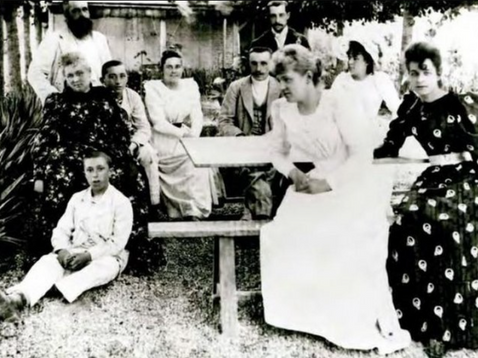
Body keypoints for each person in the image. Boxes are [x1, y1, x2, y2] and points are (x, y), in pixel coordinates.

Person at [260, 44, 411, 354]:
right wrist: (293, 174)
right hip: (313, 180)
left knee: (341, 236)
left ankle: (340, 316)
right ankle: (303, 314)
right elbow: (276, 151)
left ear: (309, 76)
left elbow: (362, 155)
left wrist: (328, 184)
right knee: (281, 231)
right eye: (280, 80)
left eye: (288, 79)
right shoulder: (282, 109)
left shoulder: (338, 103)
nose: (282, 87)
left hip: (352, 181)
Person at [374, 42, 478, 356]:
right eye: (413, 73)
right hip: (433, 179)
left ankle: (453, 327)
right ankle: (422, 323)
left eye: (426, 73)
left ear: (438, 73)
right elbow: (389, 144)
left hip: (467, 177)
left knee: (448, 224)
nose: (420, 79)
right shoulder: (410, 107)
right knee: (407, 220)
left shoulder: (461, 103)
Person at [32, 52, 162, 273]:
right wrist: (38, 175)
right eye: (70, 75)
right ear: (64, 77)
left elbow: (121, 130)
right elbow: (43, 139)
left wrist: (117, 153)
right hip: (70, 158)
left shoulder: (104, 97)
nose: (76, 79)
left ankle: (122, 246)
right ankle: (66, 247)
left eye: (80, 73)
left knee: (131, 175)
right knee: (60, 175)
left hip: (104, 153)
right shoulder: (57, 102)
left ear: (89, 73)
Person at [0, 151, 132, 323]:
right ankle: (17, 299)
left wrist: (88, 256)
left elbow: (117, 242)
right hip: (75, 250)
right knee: (48, 261)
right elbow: (62, 229)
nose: (95, 175)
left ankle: (52, 288)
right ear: (84, 173)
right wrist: (62, 251)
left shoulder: (121, 202)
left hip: (106, 256)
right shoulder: (77, 199)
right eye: (90, 170)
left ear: (111, 171)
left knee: (102, 269)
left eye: (101, 169)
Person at [144, 49, 215, 220]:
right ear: (162, 69)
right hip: (164, 139)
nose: (173, 70)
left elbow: (197, 115)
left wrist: (194, 135)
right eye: (169, 67)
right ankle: (175, 208)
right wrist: (183, 134)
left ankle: (196, 209)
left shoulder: (190, 86)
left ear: (182, 68)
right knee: (189, 161)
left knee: (199, 160)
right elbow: (158, 122)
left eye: (177, 66)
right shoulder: (153, 88)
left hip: (186, 136)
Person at [218, 47, 282, 220]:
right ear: (248, 64)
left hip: (272, 147)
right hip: (244, 148)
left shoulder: (281, 87)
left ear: (271, 64)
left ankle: (250, 212)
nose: (259, 69)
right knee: (253, 170)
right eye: (254, 63)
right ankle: (263, 215)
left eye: (263, 63)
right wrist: (240, 137)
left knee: (268, 169)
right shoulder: (236, 87)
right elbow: (224, 120)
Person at [28, 1, 112, 104]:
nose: (82, 15)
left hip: (98, 103)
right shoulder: (54, 39)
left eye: (84, 10)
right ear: (67, 16)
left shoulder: (100, 39)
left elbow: (109, 72)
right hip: (67, 104)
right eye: (75, 11)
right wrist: (52, 98)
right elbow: (35, 73)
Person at [101, 60, 160, 205]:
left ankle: (153, 203)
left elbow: (143, 127)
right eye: (112, 77)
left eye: (122, 76)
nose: (118, 81)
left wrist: (133, 144)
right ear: (103, 80)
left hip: (131, 142)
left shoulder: (132, 96)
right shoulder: (98, 97)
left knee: (148, 154)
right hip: (107, 144)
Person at [330, 39, 400, 147]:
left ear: (367, 61)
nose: (350, 62)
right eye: (349, 57)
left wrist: (392, 134)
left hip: (369, 135)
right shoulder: (342, 80)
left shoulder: (379, 80)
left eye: (356, 58)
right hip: (342, 135)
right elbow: (330, 108)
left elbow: (397, 108)